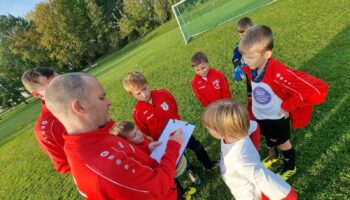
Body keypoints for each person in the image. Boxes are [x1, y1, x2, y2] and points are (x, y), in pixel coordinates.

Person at [45, 73, 184, 200]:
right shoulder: (104, 168)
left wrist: (146, 149)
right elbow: (159, 185)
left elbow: (128, 154)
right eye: (101, 97)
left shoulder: (99, 132)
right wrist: (174, 145)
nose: (109, 102)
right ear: (80, 107)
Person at [239, 25, 328, 180]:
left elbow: (315, 90)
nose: (246, 61)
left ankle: (290, 167)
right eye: (244, 56)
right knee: (268, 138)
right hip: (261, 115)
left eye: (250, 57)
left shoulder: (278, 72)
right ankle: (273, 157)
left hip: (276, 117)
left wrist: (288, 106)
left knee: (282, 143)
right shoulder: (253, 66)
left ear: (267, 54)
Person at [123, 71, 218, 172]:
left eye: (145, 88)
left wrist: (176, 121)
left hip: (180, 130)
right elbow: (144, 130)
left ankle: (208, 165)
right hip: (165, 140)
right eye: (138, 93)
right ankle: (192, 172)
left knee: (198, 147)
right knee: (180, 158)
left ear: (147, 84)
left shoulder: (163, 94)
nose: (144, 94)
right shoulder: (138, 112)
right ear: (131, 94)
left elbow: (174, 106)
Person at [203, 99, 297, 200]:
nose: (207, 129)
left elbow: (287, 195)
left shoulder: (242, 162)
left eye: (209, 128)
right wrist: (253, 150)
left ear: (222, 132)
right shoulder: (237, 132)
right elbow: (254, 126)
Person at [21, 67, 70, 174]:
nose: (63, 87)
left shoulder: (80, 97)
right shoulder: (47, 130)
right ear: (38, 94)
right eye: (54, 86)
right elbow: (65, 165)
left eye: (61, 80)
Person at [231, 17, 254, 119]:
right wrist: (237, 65)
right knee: (251, 97)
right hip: (249, 76)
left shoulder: (258, 41)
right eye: (241, 36)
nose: (243, 38)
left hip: (261, 73)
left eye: (245, 35)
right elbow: (236, 54)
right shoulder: (240, 45)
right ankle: (253, 116)